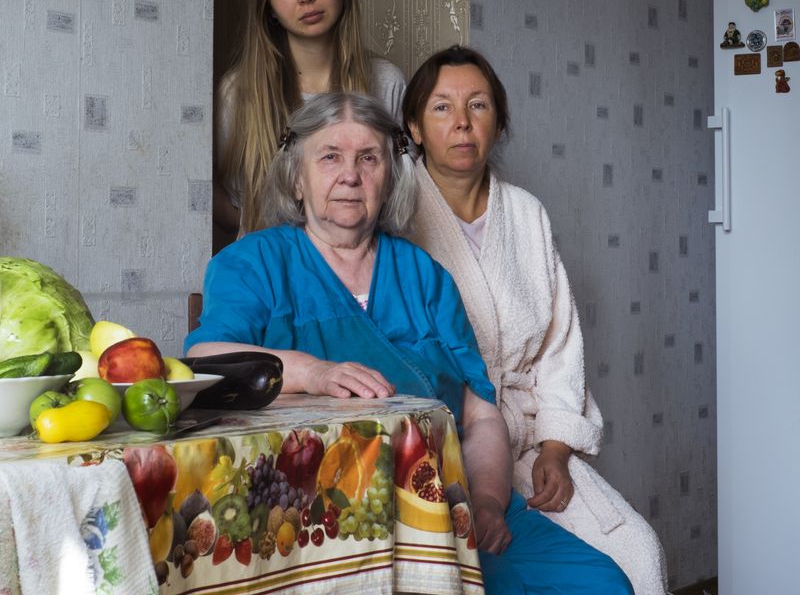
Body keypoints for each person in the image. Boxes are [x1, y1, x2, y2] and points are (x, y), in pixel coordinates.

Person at [186, 92, 632, 595]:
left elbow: (481, 413)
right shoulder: (252, 263)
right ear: (296, 177)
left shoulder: (425, 276)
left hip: (445, 499)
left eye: (368, 158)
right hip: (309, 518)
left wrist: (485, 502)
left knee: (601, 582)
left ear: (390, 177)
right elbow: (204, 360)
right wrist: (312, 372)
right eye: (330, 156)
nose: (350, 175)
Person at [401, 45, 668, 595]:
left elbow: (559, 346)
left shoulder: (525, 213)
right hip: (442, 446)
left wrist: (555, 448)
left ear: (498, 122)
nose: (462, 123)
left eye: (478, 106)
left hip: (526, 441)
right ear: (415, 127)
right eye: (442, 108)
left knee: (638, 550)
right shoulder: (396, 215)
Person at [215, 0, 406, 237]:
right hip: (270, 276)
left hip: (361, 275)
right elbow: (208, 190)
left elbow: (406, 194)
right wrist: (269, 230)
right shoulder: (238, 93)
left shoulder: (385, 82)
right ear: (269, 7)